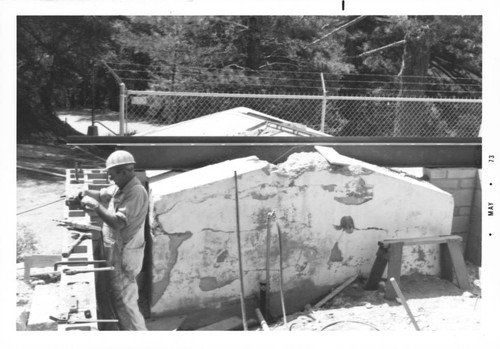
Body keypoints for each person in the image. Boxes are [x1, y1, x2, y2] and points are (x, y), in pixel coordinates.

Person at [78, 150, 148, 331]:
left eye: (112, 175)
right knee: (119, 297)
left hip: (125, 253)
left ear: (124, 172)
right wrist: (83, 193)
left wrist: (96, 207)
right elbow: (102, 194)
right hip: (117, 250)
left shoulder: (136, 192)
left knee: (126, 300)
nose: (111, 180)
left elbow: (117, 223)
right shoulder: (121, 186)